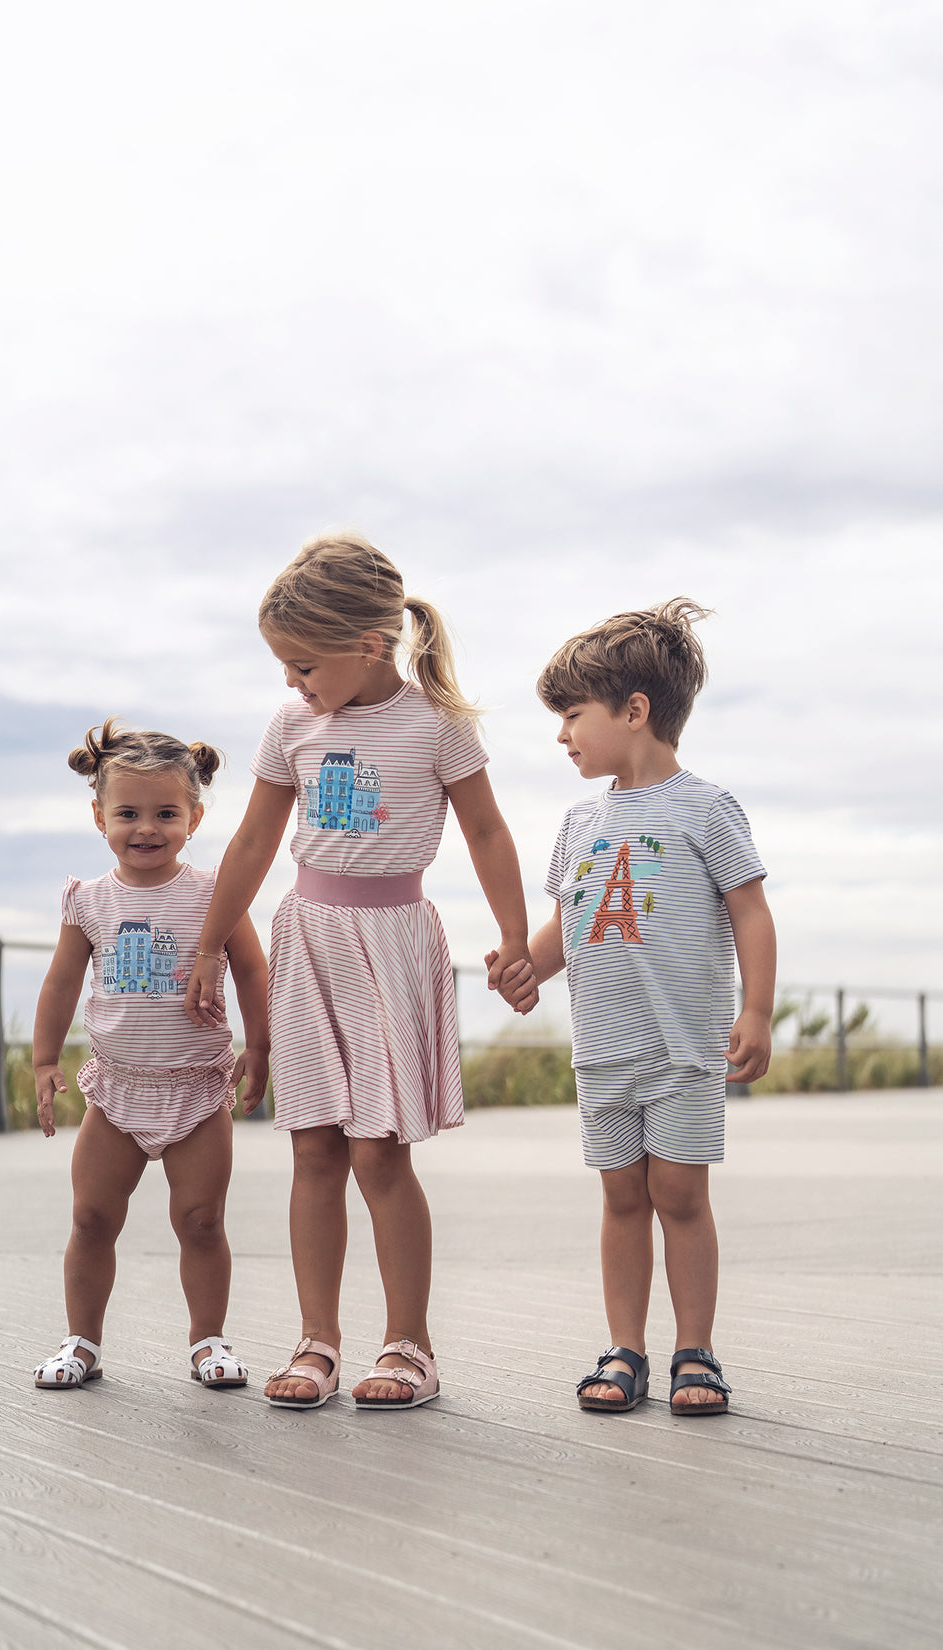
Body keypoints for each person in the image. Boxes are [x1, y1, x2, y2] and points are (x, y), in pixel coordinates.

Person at [184, 532, 536, 1410]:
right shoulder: (292, 726)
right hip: (309, 938)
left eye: (304, 664)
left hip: (392, 941)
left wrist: (515, 934)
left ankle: (408, 1344)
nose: (293, 683)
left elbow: (488, 831)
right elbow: (256, 840)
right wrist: (207, 943)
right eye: (284, 666)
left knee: (379, 1154)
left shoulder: (436, 723)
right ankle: (317, 1341)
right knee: (314, 1148)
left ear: (369, 645)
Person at [494, 599, 775, 1416]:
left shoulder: (707, 808)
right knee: (621, 1199)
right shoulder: (580, 821)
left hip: (683, 1049)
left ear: (635, 711)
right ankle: (626, 1349)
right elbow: (567, 920)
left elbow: (750, 910)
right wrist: (527, 970)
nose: (562, 735)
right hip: (604, 1052)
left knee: (681, 1197)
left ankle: (696, 1352)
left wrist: (755, 1012)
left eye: (573, 715)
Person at [32, 719, 268, 1392]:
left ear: (194, 816)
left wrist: (261, 1044)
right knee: (91, 1217)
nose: (146, 828)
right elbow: (61, 981)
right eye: (127, 813)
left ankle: (208, 1339)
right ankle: (82, 1340)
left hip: (196, 1091)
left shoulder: (215, 894)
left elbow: (252, 971)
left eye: (166, 813)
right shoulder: (89, 901)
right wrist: (46, 1059)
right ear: (99, 815)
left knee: (201, 1220)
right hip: (116, 1090)